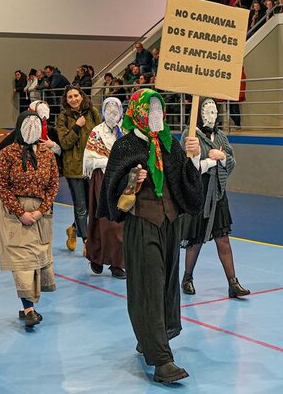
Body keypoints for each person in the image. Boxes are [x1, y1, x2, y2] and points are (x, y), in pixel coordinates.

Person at [101, 89, 203, 384]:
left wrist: (193, 159)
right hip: (142, 223)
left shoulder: (171, 144)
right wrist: (132, 181)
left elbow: (188, 187)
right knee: (148, 286)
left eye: (159, 107)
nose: (156, 113)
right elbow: (114, 199)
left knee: (166, 287)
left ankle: (151, 338)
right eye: (151, 108)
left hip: (170, 225)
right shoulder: (126, 145)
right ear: (138, 111)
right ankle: (161, 361)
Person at [0, 110, 60, 330]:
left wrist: (41, 210)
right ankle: (29, 308)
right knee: (23, 261)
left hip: (41, 212)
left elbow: (53, 184)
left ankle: (27, 307)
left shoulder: (46, 154)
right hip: (15, 213)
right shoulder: (6, 154)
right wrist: (20, 212)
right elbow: (2, 185)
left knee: (38, 257)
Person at [180, 99, 250, 300]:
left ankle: (233, 283)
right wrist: (210, 161)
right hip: (198, 194)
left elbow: (231, 161)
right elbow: (185, 166)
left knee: (223, 240)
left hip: (218, 194)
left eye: (215, 112)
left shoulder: (221, 136)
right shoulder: (190, 134)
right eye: (208, 112)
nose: (212, 117)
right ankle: (187, 278)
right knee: (195, 241)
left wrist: (222, 156)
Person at [83, 97, 127, 277]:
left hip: (122, 180)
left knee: (120, 222)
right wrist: (108, 161)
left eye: (115, 109)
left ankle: (117, 262)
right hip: (102, 179)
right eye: (108, 109)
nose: (112, 113)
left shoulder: (125, 132)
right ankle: (97, 256)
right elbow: (88, 158)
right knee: (102, 220)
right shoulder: (97, 132)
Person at [56, 86, 100, 254]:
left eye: (76, 95)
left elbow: (99, 136)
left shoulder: (93, 113)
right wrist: (76, 126)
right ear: (66, 100)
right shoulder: (63, 118)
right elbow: (65, 143)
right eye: (70, 97)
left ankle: (74, 229)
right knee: (81, 206)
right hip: (73, 168)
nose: (73, 99)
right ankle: (86, 243)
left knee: (91, 205)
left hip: (92, 166)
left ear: (82, 96)